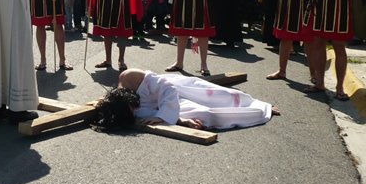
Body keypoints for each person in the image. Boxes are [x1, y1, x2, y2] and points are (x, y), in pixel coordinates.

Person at [92, 68, 278, 131]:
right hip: (170, 106)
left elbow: (168, 89)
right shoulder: (126, 109)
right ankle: (257, 114)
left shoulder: (129, 77)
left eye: (133, 110)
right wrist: (181, 120)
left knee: (225, 96)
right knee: (206, 114)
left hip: (175, 90)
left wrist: (164, 114)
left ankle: (263, 106)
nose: (136, 112)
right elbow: (152, 113)